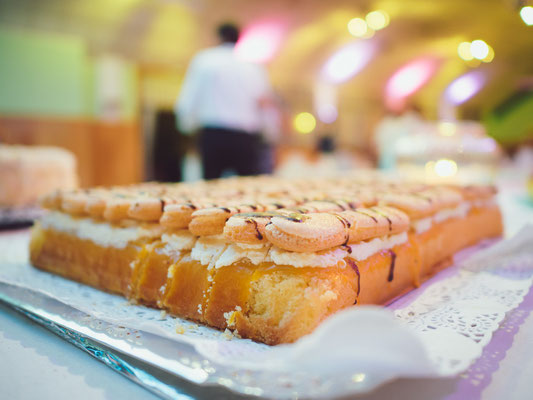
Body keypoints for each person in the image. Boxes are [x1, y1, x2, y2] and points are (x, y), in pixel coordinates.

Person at [174, 22, 275, 179]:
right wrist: (269, 132)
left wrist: (186, 128)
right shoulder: (252, 66)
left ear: (218, 37)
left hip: (214, 134)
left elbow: (189, 98)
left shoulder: (204, 60)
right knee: (247, 190)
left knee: (211, 189)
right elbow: (264, 103)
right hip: (245, 137)